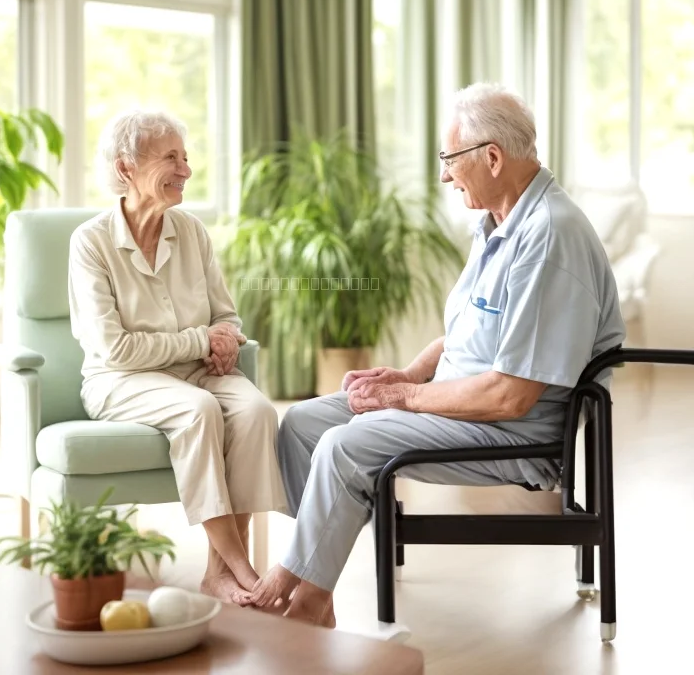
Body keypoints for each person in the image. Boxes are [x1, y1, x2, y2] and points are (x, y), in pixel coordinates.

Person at [246, 83, 626, 626]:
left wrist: (404, 396)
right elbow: (469, 329)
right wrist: (406, 374)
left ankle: (301, 600)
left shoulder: (549, 236)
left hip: (513, 433)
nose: (445, 175)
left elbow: (511, 394)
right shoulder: (499, 222)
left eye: (450, 160)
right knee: (304, 422)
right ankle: (317, 582)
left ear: (492, 158)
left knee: (345, 445)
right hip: (462, 405)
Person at [68, 109, 287, 605]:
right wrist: (200, 339)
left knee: (255, 411)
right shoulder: (91, 243)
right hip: (121, 380)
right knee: (199, 410)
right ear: (126, 168)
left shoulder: (190, 231)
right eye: (171, 158)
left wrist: (227, 336)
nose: (186, 170)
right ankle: (245, 571)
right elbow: (116, 349)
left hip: (196, 373)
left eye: (185, 157)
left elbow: (226, 317)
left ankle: (217, 573)